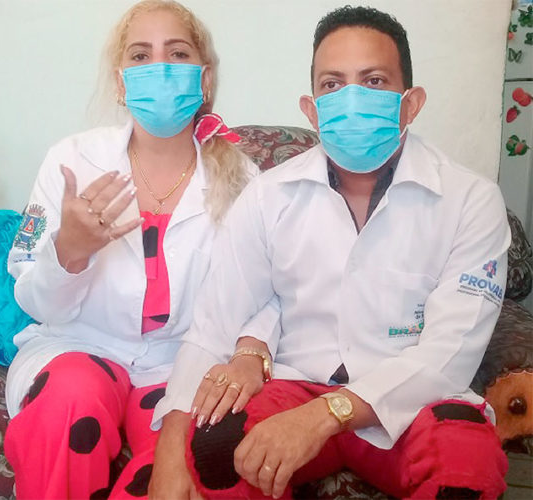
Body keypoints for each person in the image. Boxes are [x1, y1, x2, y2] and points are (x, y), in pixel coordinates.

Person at [151, 5, 511, 499]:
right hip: (296, 386)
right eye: (333, 85)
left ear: (410, 103)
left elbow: (449, 354)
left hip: (412, 403)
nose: (352, 99)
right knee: (217, 453)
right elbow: (215, 323)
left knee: (467, 469)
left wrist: (327, 415)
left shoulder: (470, 200)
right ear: (311, 108)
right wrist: (172, 451)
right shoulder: (269, 196)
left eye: (374, 81)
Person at [2, 1, 278, 498]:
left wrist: (249, 353)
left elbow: (266, 291)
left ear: (205, 78)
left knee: (188, 461)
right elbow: (29, 290)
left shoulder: (244, 178)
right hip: (79, 347)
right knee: (70, 398)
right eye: (141, 55)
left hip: (183, 364)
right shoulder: (70, 160)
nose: (161, 68)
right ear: (120, 82)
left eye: (178, 53)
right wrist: (69, 252)